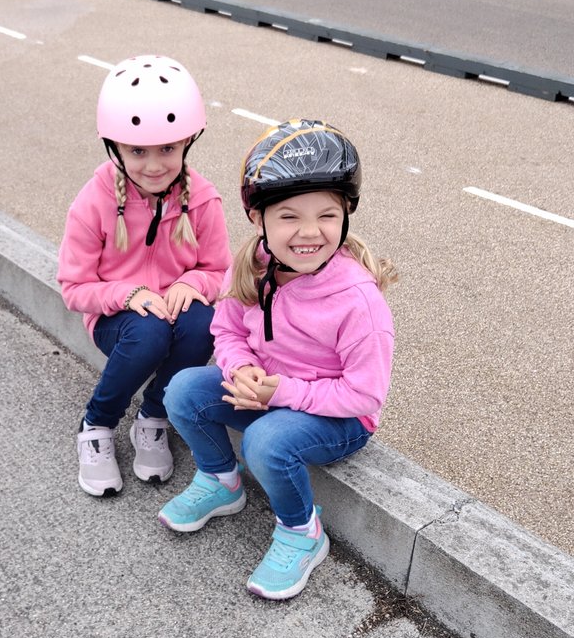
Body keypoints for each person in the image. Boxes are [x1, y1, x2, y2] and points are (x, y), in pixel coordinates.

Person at [159, 118, 398, 601]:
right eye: (289, 216)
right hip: (269, 390)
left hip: (340, 416)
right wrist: (238, 367)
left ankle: (301, 533)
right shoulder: (251, 268)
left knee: (266, 442)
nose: (309, 232)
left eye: (326, 216)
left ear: (346, 216)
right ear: (259, 218)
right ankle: (222, 481)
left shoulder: (358, 301)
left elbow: (365, 393)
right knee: (184, 389)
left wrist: (282, 392)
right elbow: (226, 330)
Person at [58, 55, 231, 497]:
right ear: (114, 146)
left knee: (205, 320)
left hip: (173, 312)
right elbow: (74, 288)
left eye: (168, 149)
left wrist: (192, 283)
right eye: (137, 151)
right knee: (150, 331)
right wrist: (127, 293)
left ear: (188, 142)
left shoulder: (204, 200)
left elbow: (218, 270)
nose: (154, 165)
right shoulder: (93, 201)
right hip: (119, 320)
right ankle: (96, 423)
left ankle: (153, 417)